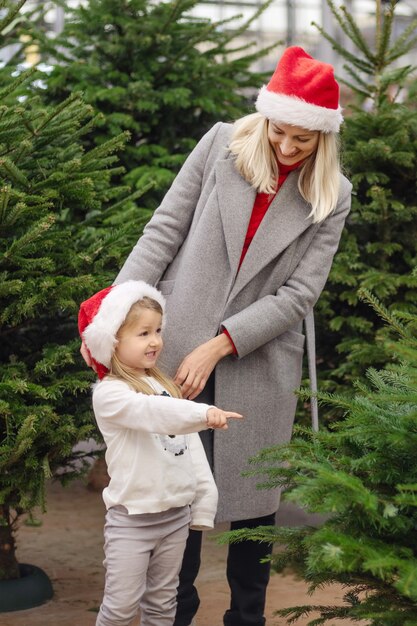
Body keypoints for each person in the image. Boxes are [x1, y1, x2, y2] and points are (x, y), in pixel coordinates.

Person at [81, 46, 352, 626]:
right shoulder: (220, 144)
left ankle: (246, 618)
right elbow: (163, 232)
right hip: (173, 345)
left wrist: (221, 342)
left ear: (323, 139)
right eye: (280, 133)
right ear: (267, 118)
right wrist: (112, 315)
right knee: (176, 487)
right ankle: (176, 614)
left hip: (257, 358)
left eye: (303, 141)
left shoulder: (334, 194)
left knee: (255, 506)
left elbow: (299, 295)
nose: (286, 149)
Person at [78, 280, 242, 626]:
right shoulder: (110, 395)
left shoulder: (164, 386)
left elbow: (190, 450)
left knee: (163, 604)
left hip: (174, 519)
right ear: (112, 342)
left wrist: (203, 501)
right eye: (143, 333)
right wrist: (202, 413)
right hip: (132, 523)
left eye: (157, 330)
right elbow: (154, 413)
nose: (155, 341)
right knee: (121, 608)